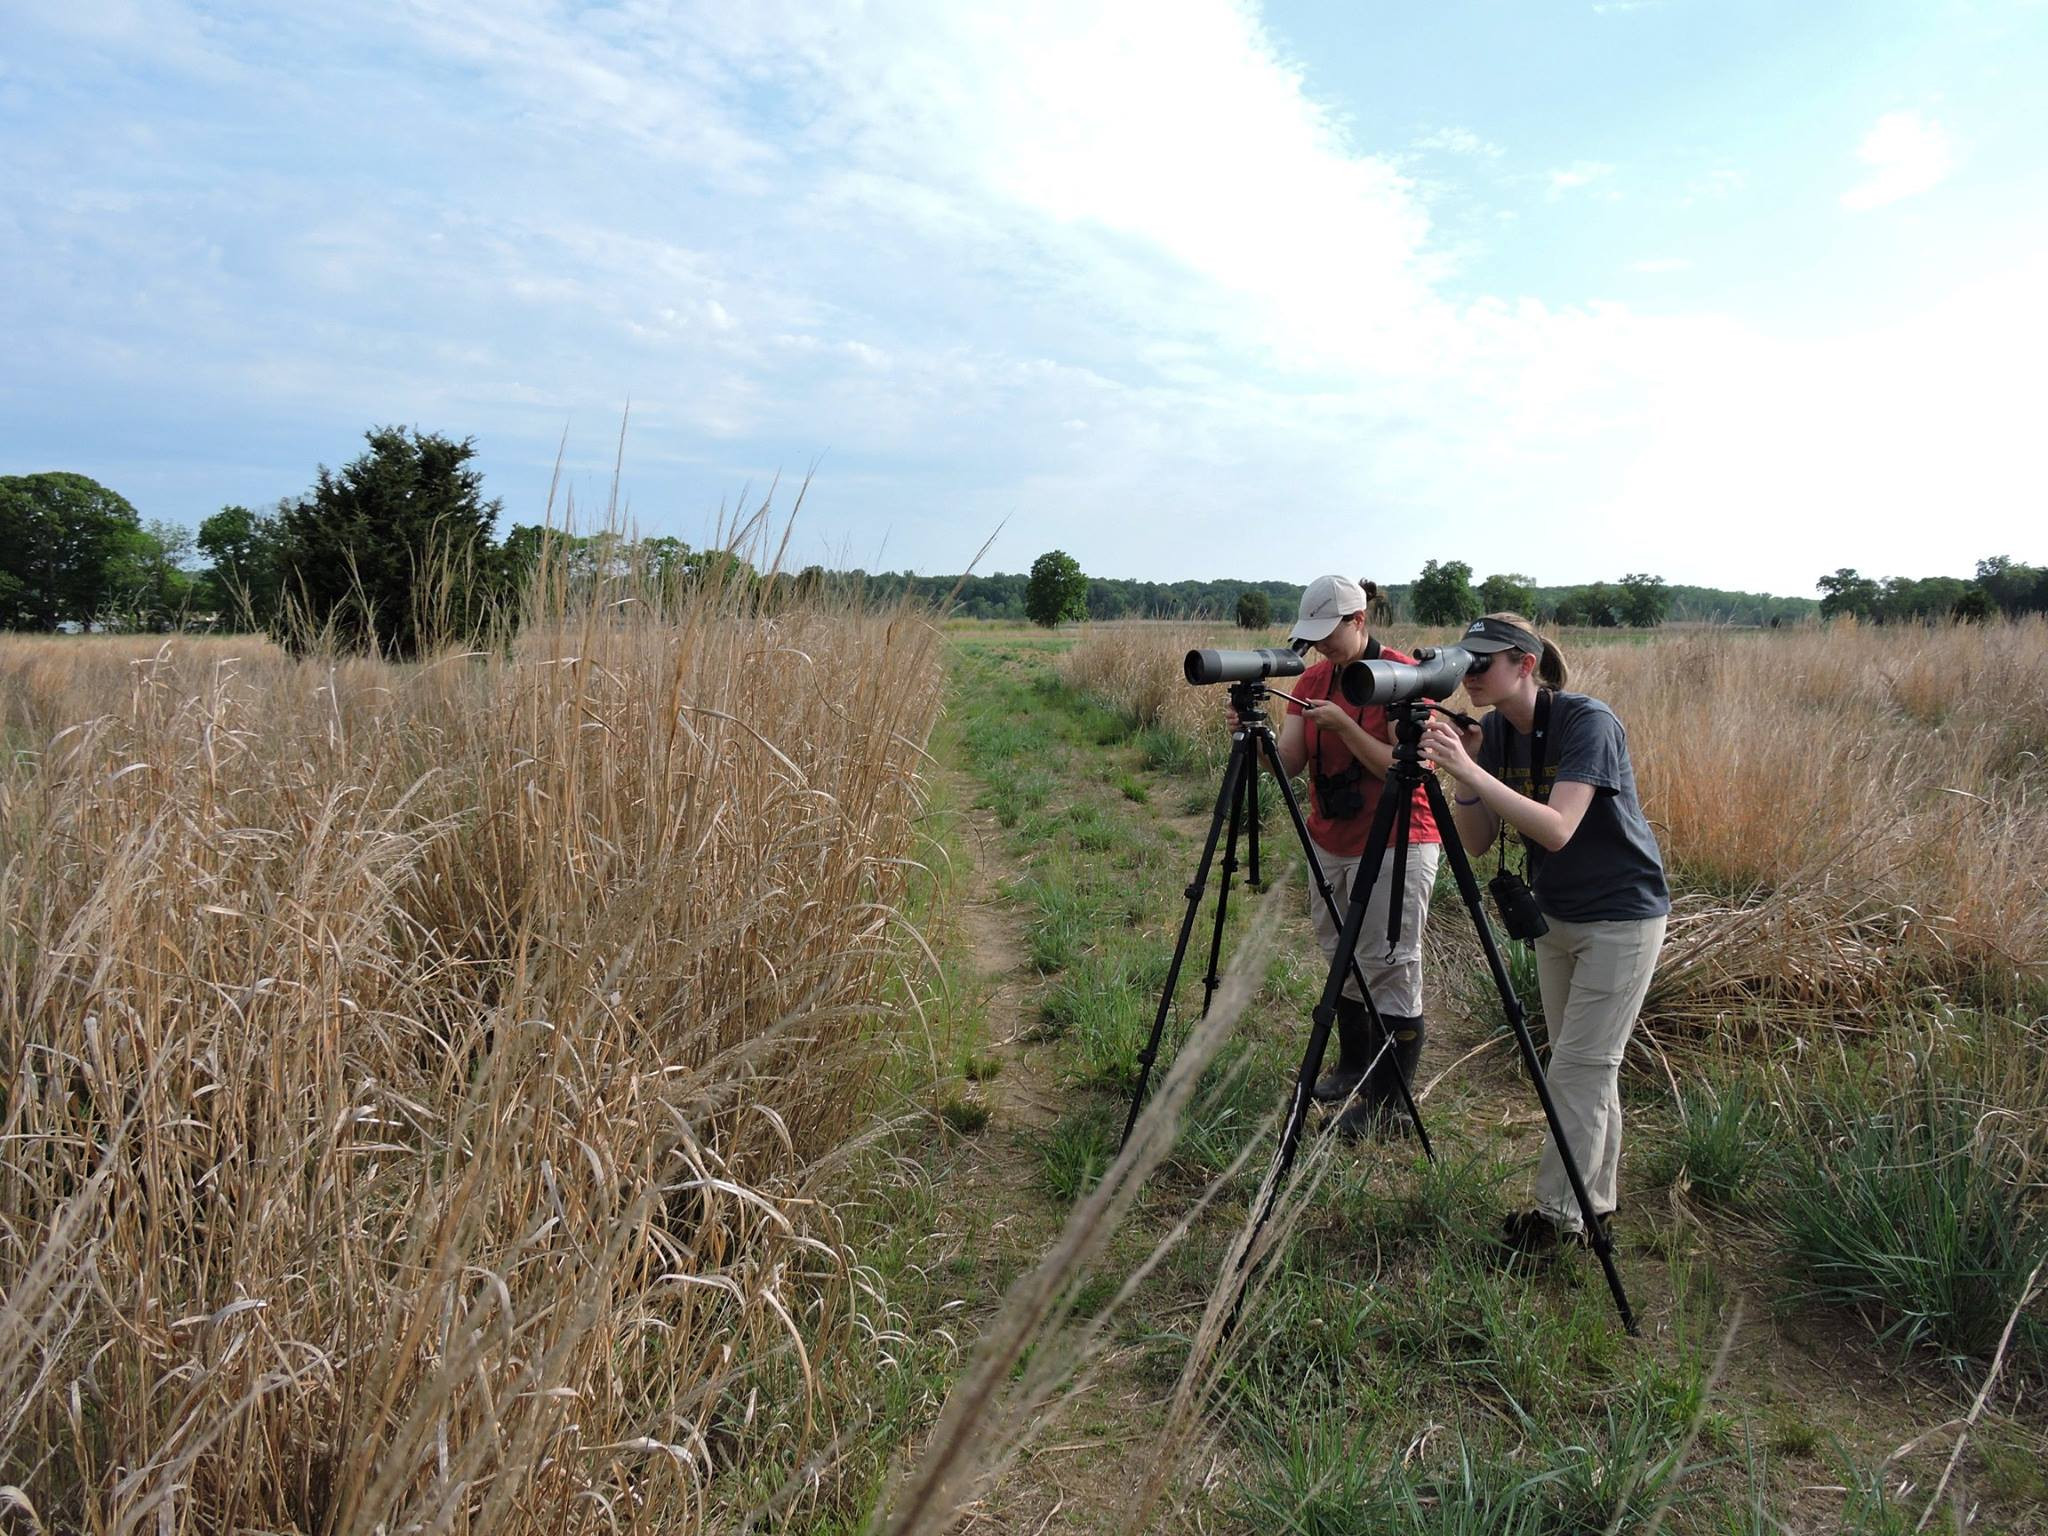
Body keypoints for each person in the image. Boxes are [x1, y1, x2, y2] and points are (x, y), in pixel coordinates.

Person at [1419, 613, 1670, 1255]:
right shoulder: (1498, 731)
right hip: (1556, 913)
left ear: (1524, 664)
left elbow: (1558, 828)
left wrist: (1470, 772)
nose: (1469, 675)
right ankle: (1597, 1204)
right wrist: (1468, 767)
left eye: (1484, 663)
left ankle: (1557, 1220)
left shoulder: (1589, 722)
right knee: (1586, 1069)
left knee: (1578, 1070)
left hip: (1621, 915)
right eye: (1464, 663)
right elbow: (1475, 844)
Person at [1229, 574, 1442, 1135]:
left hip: (1398, 839)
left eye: (1331, 632)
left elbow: (1404, 772)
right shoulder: (1313, 680)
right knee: (1339, 953)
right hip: (1331, 837)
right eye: (1313, 634)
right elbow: (1292, 766)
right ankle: (1352, 1067)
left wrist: (1345, 725)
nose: (1321, 645)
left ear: (1359, 621)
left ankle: (1389, 1106)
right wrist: (1260, 737)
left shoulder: (1401, 676)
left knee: (1390, 961)